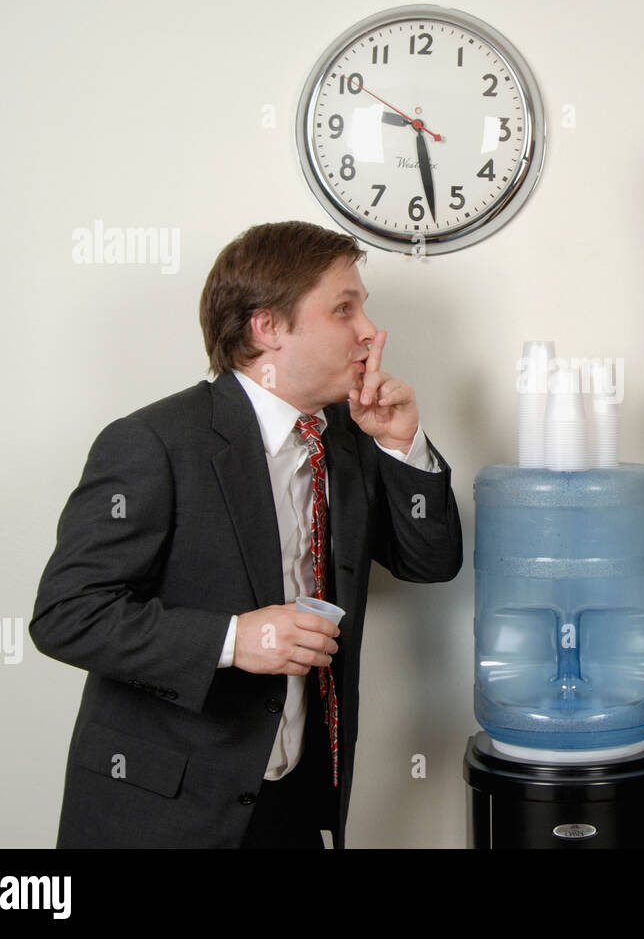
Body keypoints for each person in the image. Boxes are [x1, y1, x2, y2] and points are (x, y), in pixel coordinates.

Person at [31, 220, 463, 848]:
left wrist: (401, 447)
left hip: (290, 808)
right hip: (163, 815)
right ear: (267, 328)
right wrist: (236, 638)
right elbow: (66, 615)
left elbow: (431, 563)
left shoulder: (347, 435)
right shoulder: (154, 444)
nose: (370, 331)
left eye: (363, 306)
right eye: (344, 308)